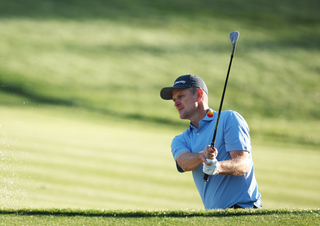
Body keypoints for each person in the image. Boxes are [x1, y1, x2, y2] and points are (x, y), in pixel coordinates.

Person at [160, 74, 261, 209]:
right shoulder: (180, 139)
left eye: (181, 96)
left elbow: (243, 164)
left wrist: (217, 167)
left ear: (199, 94)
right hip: (214, 217)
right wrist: (202, 156)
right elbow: (183, 162)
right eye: (174, 100)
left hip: (244, 209)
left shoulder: (229, 118)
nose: (175, 103)